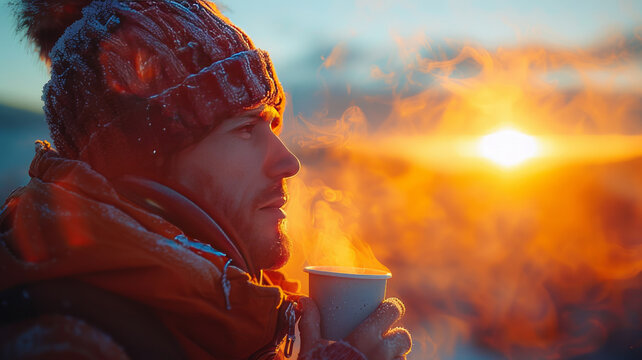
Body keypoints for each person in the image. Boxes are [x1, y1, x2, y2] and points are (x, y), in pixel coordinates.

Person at [0, 1, 412, 359]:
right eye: (245, 129)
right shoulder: (65, 341)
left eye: (272, 125)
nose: (289, 162)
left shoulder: (223, 320)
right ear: (147, 159)